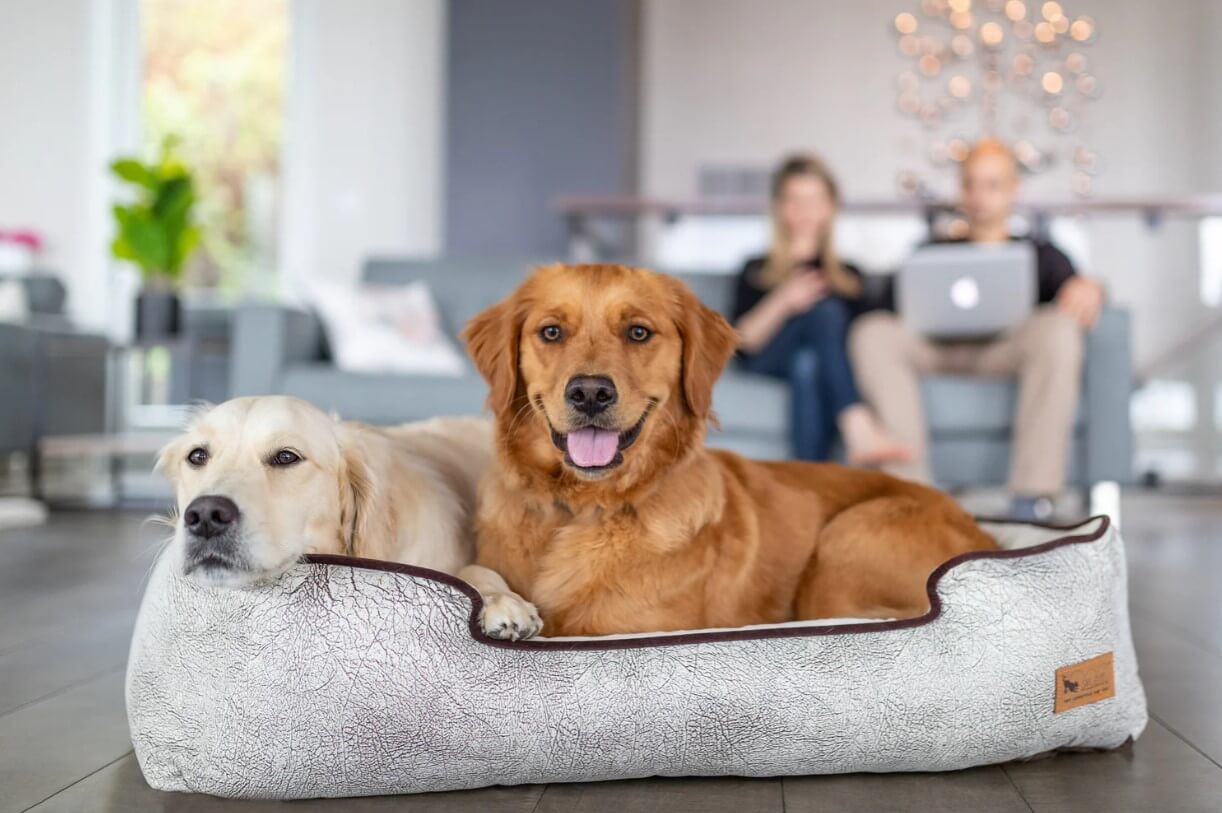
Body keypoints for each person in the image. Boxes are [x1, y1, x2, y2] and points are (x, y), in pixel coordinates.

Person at [849, 139, 1105, 520]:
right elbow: (878, 307)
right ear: (960, 190)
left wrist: (1090, 287)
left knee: (1059, 330)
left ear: (1014, 190)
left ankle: (1032, 497)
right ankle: (912, 497)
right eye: (970, 184)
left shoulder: (1042, 254)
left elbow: (1077, 291)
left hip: (1004, 352)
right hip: (935, 350)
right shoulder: (929, 250)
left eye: (992, 184)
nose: (979, 195)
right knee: (871, 332)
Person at [731, 155, 909, 464]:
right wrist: (784, 300)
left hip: (819, 367)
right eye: (794, 200)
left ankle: (807, 481)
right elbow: (743, 343)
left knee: (808, 363)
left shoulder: (851, 276)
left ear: (830, 207)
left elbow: (867, 343)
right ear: (779, 207)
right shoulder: (755, 268)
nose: (804, 211)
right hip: (769, 359)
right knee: (823, 312)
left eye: (814, 200)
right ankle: (855, 420)